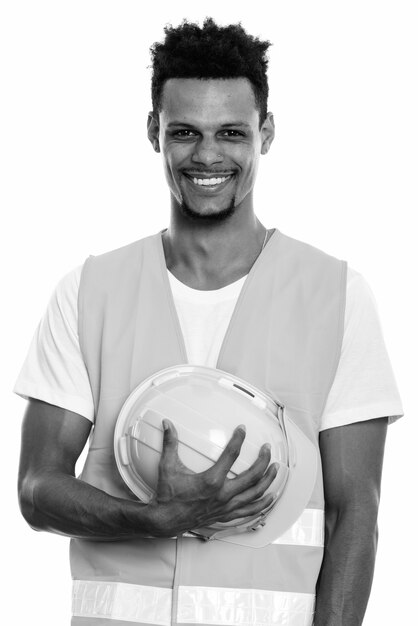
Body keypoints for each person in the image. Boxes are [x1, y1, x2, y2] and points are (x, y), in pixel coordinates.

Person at [15, 17, 403, 626]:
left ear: (266, 133)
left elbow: (355, 513)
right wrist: (153, 520)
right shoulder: (89, 292)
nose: (208, 155)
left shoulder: (339, 295)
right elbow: (37, 489)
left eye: (231, 132)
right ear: (153, 132)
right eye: (185, 133)